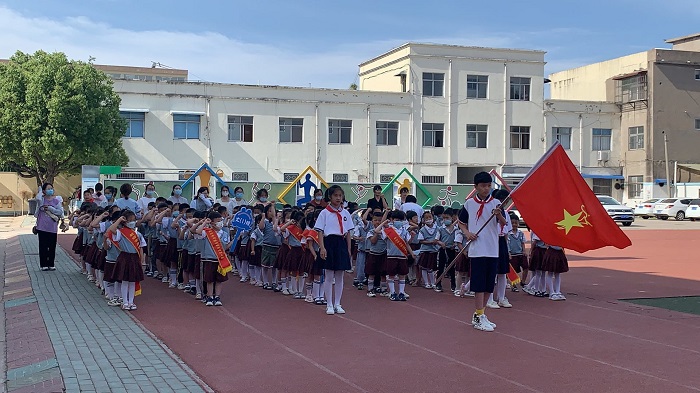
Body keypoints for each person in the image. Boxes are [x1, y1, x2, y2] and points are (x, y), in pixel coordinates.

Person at [456, 171, 506, 332]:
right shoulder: (469, 204)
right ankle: (478, 315)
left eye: (489, 186)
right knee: (478, 284)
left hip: (492, 249)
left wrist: (499, 215)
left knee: (488, 285)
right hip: (477, 249)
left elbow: (504, 223)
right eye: (483, 186)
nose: (486, 189)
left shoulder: (497, 202)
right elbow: (461, 222)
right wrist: (467, 233)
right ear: (476, 187)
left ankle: (481, 314)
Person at [315, 185, 355, 315]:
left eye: (340, 195)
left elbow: (348, 232)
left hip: (341, 243)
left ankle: (338, 303)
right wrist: (322, 247)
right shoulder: (324, 213)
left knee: (340, 275)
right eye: (335, 195)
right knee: (329, 275)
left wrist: (348, 248)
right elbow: (320, 231)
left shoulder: (345, 213)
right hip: (329, 243)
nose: (338, 198)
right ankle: (329, 304)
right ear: (330, 197)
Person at [108, 211, 146, 311]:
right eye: (130, 220)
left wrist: (142, 261)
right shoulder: (121, 232)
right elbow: (111, 229)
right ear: (125, 222)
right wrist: (120, 219)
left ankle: (131, 301)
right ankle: (125, 302)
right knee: (125, 281)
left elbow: (141, 248)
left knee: (132, 281)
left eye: (134, 220)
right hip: (124, 257)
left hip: (134, 258)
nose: (132, 222)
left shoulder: (138, 234)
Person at [195, 212, 234, 306]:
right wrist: (205, 222)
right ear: (212, 223)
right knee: (209, 279)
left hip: (220, 260)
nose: (220, 223)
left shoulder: (224, 233)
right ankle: (209, 296)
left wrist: (235, 240)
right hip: (209, 259)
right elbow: (198, 232)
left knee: (219, 279)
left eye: (221, 220)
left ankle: (217, 296)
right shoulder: (207, 232)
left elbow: (226, 246)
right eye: (218, 221)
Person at [487, 189, 513, 309]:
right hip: (492, 241)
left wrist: (507, 249)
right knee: (492, 270)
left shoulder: (505, 213)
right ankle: (489, 298)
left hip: (501, 241)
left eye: (506, 200)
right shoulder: (490, 211)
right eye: (503, 200)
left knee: (502, 272)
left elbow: (506, 231)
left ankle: (501, 298)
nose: (504, 202)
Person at [379, 210, 413, 301]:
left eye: (401, 220)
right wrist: (384, 222)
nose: (398, 221)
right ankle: (393, 292)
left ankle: (401, 292)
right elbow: (377, 231)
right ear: (392, 219)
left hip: (402, 256)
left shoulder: (404, 231)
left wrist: (412, 236)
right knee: (391, 275)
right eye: (397, 219)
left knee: (402, 275)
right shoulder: (389, 230)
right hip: (391, 256)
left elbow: (408, 242)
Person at [34, 183, 64, 271]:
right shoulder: (41, 200)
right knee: (43, 246)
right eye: (48, 189)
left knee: (52, 246)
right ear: (44, 191)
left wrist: (51, 209)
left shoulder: (56, 200)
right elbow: (38, 198)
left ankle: (51, 263)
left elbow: (60, 212)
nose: (51, 190)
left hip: (52, 227)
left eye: (51, 188)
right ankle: (43, 264)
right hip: (42, 226)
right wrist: (40, 191)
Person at [507, 215, 529, 289]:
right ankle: (514, 284)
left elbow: (522, 243)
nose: (514, 225)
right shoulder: (508, 234)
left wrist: (524, 251)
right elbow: (507, 244)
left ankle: (523, 281)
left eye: (516, 223)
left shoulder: (521, 233)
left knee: (526, 267)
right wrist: (509, 253)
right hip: (512, 254)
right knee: (513, 270)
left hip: (520, 253)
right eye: (512, 223)